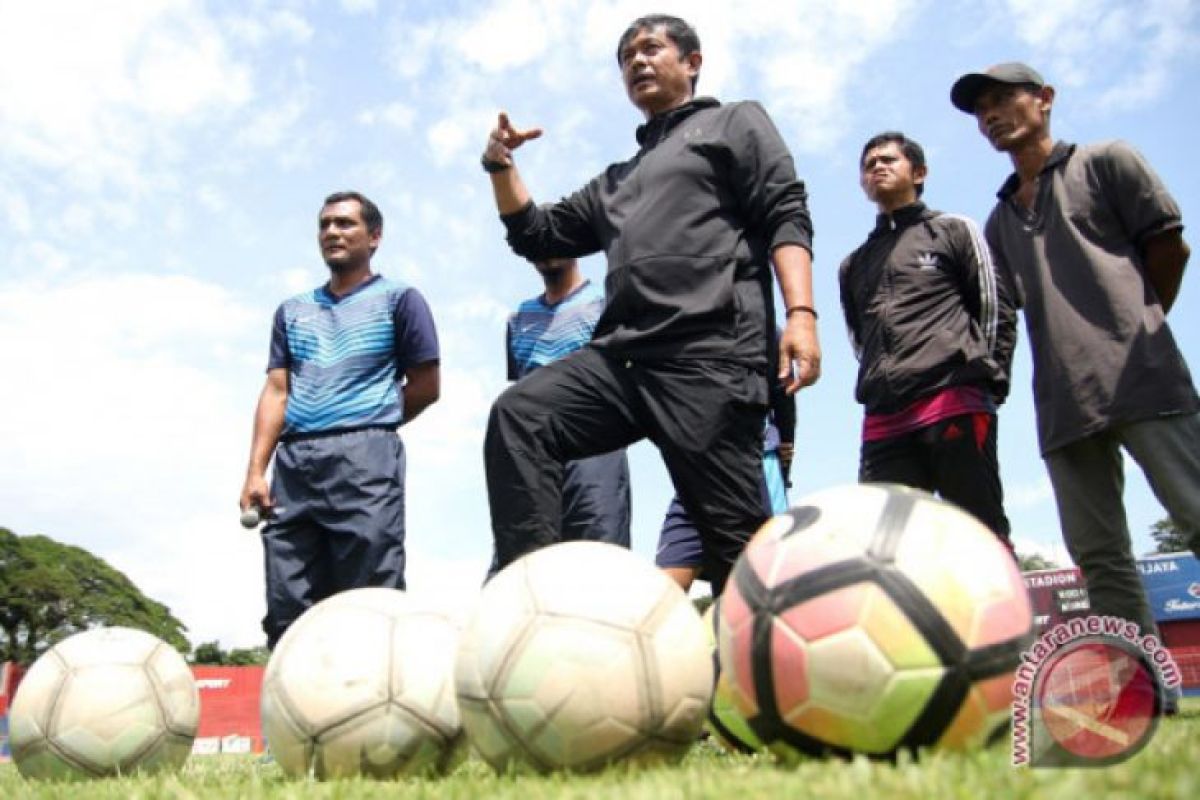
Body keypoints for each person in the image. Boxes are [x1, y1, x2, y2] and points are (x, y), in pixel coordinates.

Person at [479, 14, 820, 594]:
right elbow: (536, 234)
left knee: (738, 550)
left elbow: (786, 213)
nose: (637, 61)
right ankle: (529, 599)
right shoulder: (614, 182)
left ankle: (775, 672)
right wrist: (500, 166)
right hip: (624, 362)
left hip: (709, 357)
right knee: (520, 415)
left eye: (651, 48)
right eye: (626, 56)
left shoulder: (733, 122)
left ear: (692, 62)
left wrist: (802, 316)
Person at [950, 63, 1200, 640]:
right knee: (1100, 556)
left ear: (1044, 99)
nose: (990, 115)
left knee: (1194, 511)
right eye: (980, 109)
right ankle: (1143, 688)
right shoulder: (998, 219)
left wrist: (1136, 329)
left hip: (1146, 378)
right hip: (1063, 405)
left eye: (1002, 98)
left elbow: (1170, 248)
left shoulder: (1108, 160)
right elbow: (1005, 310)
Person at [239, 191, 441, 648]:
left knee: (369, 597)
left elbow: (427, 386)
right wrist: (255, 470)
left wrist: (368, 422)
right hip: (295, 464)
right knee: (288, 602)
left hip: (366, 458)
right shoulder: (292, 311)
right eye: (325, 224)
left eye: (346, 224)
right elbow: (277, 390)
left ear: (374, 237)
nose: (332, 232)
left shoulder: (401, 300)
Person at [838, 131, 1017, 547]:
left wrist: (987, 378)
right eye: (868, 164)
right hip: (883, 417)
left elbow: (995, 308)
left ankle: (1007, 613)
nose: (877, 168)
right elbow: (859, 338)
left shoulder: (954, 229)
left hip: (952, 399)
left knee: (977, 533)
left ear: (919, 172)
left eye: (888, 160)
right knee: (887, 548)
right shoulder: (853, 264)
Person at [491, 256, 631, 576]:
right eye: (539, 246)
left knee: (600, 560)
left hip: (594, 448)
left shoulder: (605, 304)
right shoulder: (519, 319)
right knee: (521, 563)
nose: (548, 250)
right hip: (532, 456)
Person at [656, 368, 795, 591]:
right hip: (696, 480)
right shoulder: (676, 345)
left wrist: (785, 441)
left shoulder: (765, 337)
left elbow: (784, 395)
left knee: (751, 589)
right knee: (664, 589)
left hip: (751, 475)